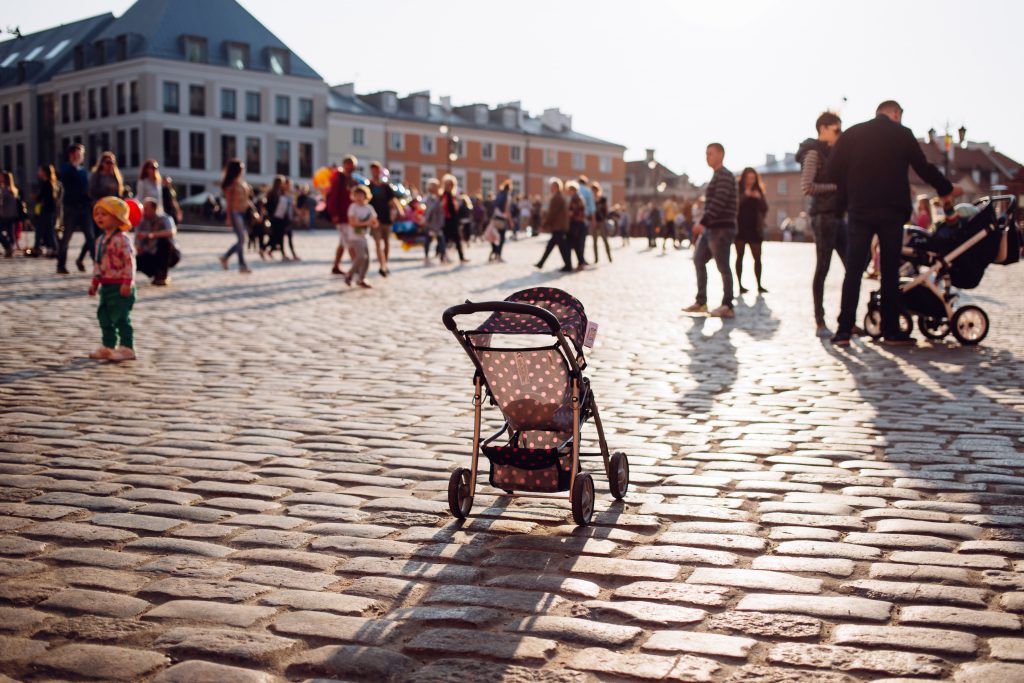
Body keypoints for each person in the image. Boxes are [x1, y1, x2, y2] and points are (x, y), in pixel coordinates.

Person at [826, 100, 960, 346]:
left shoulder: (854, 133)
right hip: (892, 210)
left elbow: (833, 170)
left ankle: (844, 330)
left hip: (860, 209)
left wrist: (850, 191)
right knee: (889, 271)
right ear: (896, 114)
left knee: (854, 270)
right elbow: (923, 168)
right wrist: (946, 188)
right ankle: (890, 330)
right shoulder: (902, 134)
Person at [797, 110, 846, 337]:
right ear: (823, 128)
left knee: (853, 266)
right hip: (823, 216)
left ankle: (846, 320)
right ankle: (820, 321)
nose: (840, 133)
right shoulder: (814, 153)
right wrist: (837, 188)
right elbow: (807, 186)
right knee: (823, 268)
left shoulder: (834, 152)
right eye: (836, 129)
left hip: (837, 215)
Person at [683, 143, 738, 318]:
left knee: (723, 266)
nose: (707, 157)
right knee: (699, 259)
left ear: (721, 154)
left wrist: (703, 222)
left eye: (710, 154)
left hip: (721, 228)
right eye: (706, 154)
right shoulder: (716, 176)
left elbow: (718, 203)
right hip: (711, 229)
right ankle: (701, 302)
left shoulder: (725, 176)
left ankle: (727, 305)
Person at [88, 196, 137, 361]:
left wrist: (127, 282)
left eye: (104, 214)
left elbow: (129, 263)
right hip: (106, 285)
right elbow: (98, 263)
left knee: (121, 317)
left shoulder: (122, 240)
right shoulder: (100, 240)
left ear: (117, 218)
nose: (99, 218)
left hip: (120, 286)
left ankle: (127, 347)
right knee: (105, 316)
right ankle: (108, 346)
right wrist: (95, 282)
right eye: (97, 214)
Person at [56, 143, 94, 274]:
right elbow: (64, 178)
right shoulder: (66, 168)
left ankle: (96, 265)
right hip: (71, 207)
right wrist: (73, 164)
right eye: (77, 154)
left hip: (84, 208)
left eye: (81, 154)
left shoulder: (84, 171)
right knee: (66, 237)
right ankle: (61, 265)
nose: (79, 156)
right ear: (71, 155)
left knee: (90, 236)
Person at [734, 167, 769, 294]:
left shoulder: (758, 190)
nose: (751, 181)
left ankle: (759, 285)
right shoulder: (738, 189)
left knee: (758, 258)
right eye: (749, 178)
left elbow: (765, 209)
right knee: (740, 257)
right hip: (740, 229)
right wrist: (745, 195)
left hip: (755, 229)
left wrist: (759, 198)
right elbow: (734, 205)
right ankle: (740, 285)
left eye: (753, 178)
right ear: (744, 178)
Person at [217, 158, 253, 274]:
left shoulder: (241, 183)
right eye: (241, 168)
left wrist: (254, 211)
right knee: (242, 239)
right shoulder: (230, 185)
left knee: (241, 239)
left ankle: (227, 258)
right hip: (235, 213)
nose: (243, 170)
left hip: (243, 213)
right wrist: (228, 217)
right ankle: (240, 264)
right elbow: (228, 203)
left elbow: (247, 199)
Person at [135, 197, 178, 286]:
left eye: (146, 209)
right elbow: (137, 239)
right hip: (150, 253)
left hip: (169, 254)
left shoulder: (164, 218)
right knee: (136, 260)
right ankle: (156, 274)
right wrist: (138, 246)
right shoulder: (142, 221)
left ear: (154, 208)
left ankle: (162, 275)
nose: (144, 211)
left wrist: (151, 235)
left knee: (164, 242)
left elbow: (171, 232)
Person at [368, 162, 400, 276]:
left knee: (386, 242)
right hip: (375, 220)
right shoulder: (369, 186)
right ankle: (382, 265)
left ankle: (385, 263)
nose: (374, 172)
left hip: (386, 218)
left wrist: (400, 211)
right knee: (377, 243)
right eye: (372, 170)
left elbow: (392, 201)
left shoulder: (386, 186)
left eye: (376, 170)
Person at [328, 155, 357, 275]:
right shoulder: (338, 180)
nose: (350, 166)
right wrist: (334, 214)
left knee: (342, 243)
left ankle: (336, 266)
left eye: (352, 164)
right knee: (349, 241)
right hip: (342, 217)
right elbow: (333, 198)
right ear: (344, 165)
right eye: (348, 163)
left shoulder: (352, 181)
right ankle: (356, 265)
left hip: (350, 217)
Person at [535, 177, 571, 271]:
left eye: (551, 186)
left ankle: (568, 265)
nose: (550, 188)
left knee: (561, 247)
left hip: (558, 226)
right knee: (551, 246)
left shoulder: (556, 198)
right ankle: (541, 263)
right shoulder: (559, 197)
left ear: (555, 187)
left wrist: (544, 224)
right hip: (558, 226)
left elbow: (552, 213)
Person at [345, 185, 376, 288]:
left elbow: (375, 222)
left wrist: (373, 223)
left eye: (360, 195)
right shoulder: (353, 207)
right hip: (355, 237)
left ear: (365, 196)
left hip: (365, 236)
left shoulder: (369, 208)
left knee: (367, 259)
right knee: (361, 256)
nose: (358, 198)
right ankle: (349, 274)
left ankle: (361, 279)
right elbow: (352, 223)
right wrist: (367, 222)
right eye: (356, 195)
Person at [266, 176, 299, 261]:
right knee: (278, 237)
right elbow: (272, 207)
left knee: (282, 236)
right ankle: (280, 253)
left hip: (285, 219)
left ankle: (273, 251)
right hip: (279, 219)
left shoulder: (285, 194)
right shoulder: (276, 194)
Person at [32, 165, 60, 257]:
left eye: (40, 170)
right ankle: (50, 248)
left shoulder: (47, 183)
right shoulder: (49, 183)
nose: (38, 172)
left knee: (45, 230)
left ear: (44, 172)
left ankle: (47, 248)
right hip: (49, 210)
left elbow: (45, 197)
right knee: (48, 230)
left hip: (47, 210)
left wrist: (36, 197)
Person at [441, 174, 467, 264]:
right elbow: (446, 208)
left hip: (452, 220)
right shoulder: (445, 195)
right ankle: (443, 256)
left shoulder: (451, 195)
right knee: (447, 239)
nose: (451, 186)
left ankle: (460, 257)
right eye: (449, 184)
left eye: (452, 184)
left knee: (454, 239)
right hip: (448, 221)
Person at [489, 180, 513, 263]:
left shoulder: (499, 194)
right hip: (502, 218)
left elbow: (494, 205)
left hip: (496, 217)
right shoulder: (507, 195)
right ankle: (498, 254)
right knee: (501, 238)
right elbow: (507, 209)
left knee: (494, 236)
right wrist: (510, 221)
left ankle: (495, 251)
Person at [566, 181, 588, 270]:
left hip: (576, 223)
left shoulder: (575, 198)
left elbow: (573, 212)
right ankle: (580, 262)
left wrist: (567, 215)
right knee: (577, 244)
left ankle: (581, 263)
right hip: (580, 223)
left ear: (572, 190)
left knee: (575, 244)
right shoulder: (580, 197)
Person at [0, 171, 22, 257]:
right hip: (12, 215)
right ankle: (10, 248)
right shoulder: (13, 189)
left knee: (9, 233)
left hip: (5, 215)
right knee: (10, 233)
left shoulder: (4, 189)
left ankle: (8, 246)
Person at [422, 178, 444, 266]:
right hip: (432, 223)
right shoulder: (430, 197)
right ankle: (428, 257)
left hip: (436, 222)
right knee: (430, 239)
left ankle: (442, 256)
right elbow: (429, 210)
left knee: (439, 239)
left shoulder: (435, 197)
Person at [591, 182, 613, 263]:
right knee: (594, 241)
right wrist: (593, 221)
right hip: (594, 222)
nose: (594, 192)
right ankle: (596, 259)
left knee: (605, 240)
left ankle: (609, 256)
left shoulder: (603, 199)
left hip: (602, 221)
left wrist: (604, 219)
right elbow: (591, 212)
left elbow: (606, 210)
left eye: (595, 190)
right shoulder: (591, 200)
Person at [576, 175, 594, 265]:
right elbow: (591, 208)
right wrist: (593, 221)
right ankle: (581, 260)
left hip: (574, 220)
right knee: (582, 240)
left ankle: (579, 260)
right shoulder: (587, 191)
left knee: (575, 240)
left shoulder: (575, 190)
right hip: (584, 219)